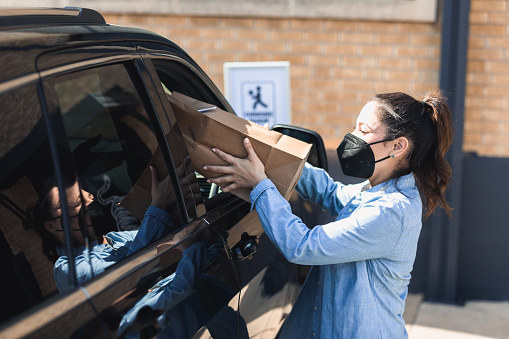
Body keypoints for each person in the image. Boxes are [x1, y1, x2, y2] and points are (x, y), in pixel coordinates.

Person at [203, 91, 453, 338]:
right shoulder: (377, 189)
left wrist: (260, 186)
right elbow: (332, 193)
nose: (352, 137)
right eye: (354, 128)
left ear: (397, 146)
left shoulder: (391, 211)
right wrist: (276, 155)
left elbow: (302, 246)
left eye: (364, 131)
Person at [33, 166, 175, 293]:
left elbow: (159, 239)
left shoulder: (113, 238)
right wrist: (158, 204)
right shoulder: (66, 270)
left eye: (86, 198)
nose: (86, 206)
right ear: (51, 225)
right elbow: (131, 273)